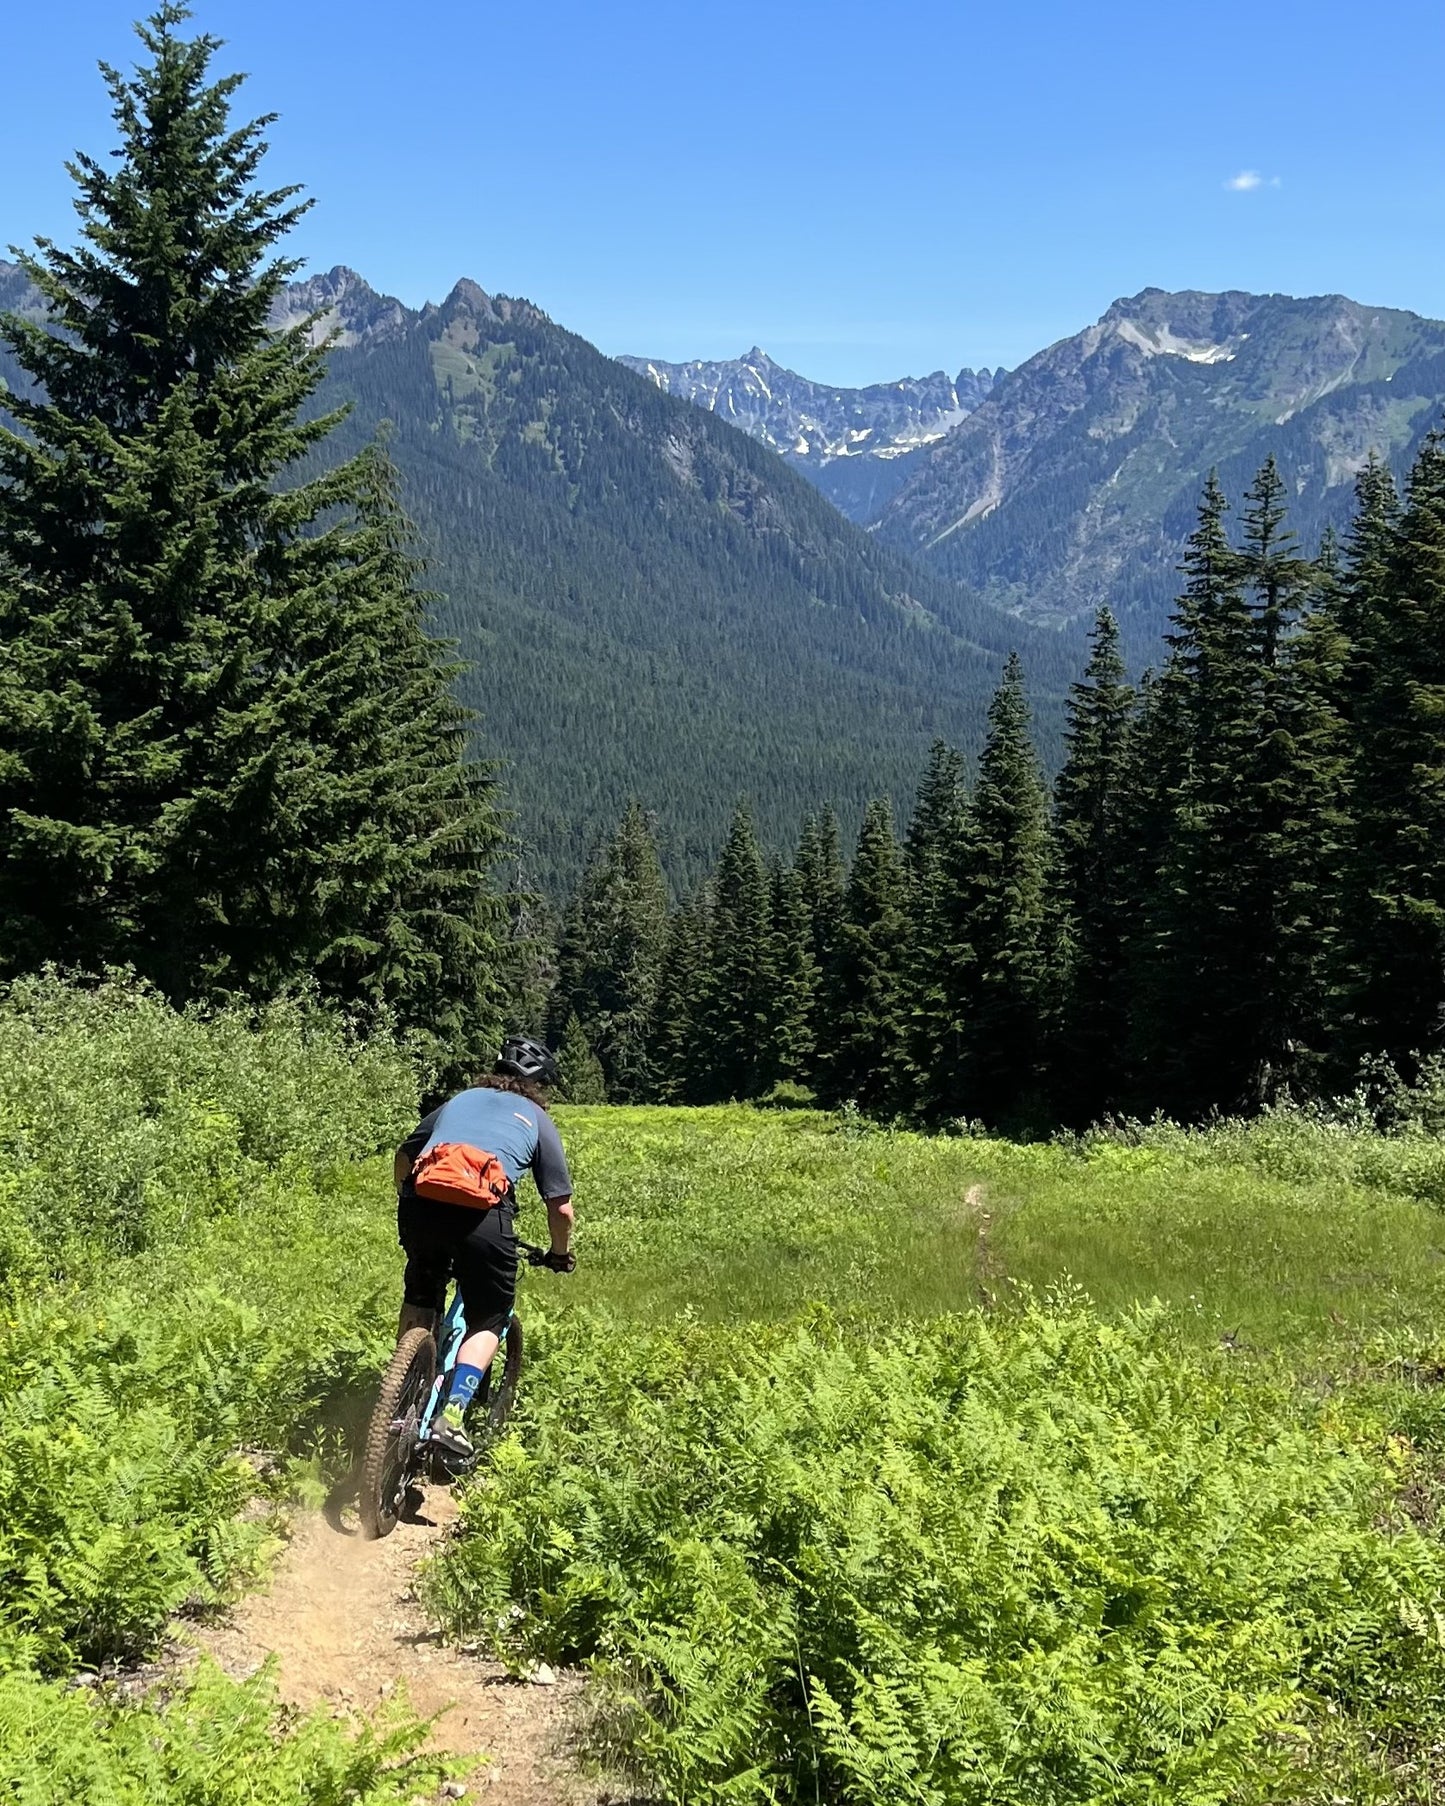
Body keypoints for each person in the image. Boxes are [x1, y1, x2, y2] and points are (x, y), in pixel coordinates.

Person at [392, 1034, 575, 1462]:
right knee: (490, 1317)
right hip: (483, 1217)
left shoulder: (458, 1101)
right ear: (540, 1086)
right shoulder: (536, 1118)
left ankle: (399, 1385)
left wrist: (406, 1197)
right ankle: (451, 1418)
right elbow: (561, 1209)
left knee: (422, 1288)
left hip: (422, 1206)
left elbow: (406, 1154)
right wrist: (559, 1253)